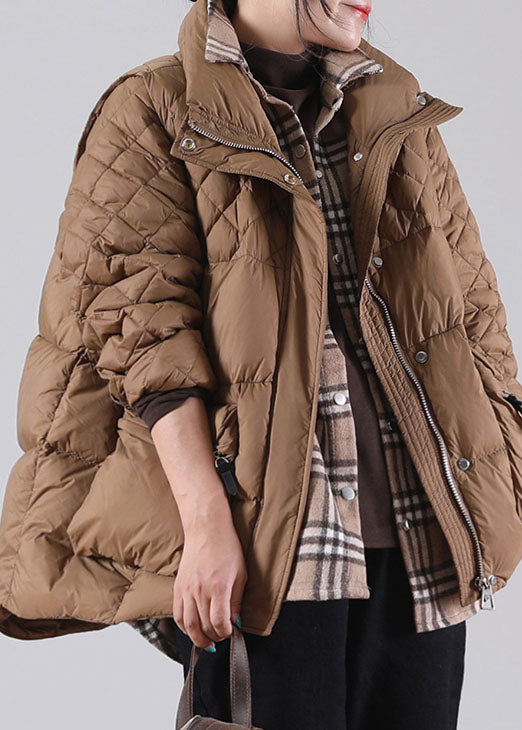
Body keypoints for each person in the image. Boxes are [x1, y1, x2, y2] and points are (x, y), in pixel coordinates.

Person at [1, 0, 521, 729]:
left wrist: (504, 472)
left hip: (422, 536)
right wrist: (206, 523)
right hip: (271, 545)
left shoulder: (396, 110)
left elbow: (475, 316)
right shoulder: (156, 107)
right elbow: (142, 334)